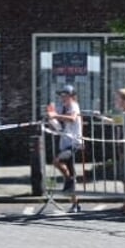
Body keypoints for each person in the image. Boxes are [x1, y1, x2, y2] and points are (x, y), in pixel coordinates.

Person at [47, 84, 84, 212]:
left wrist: (55, 116)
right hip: (65, 143)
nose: (62, 97)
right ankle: (75, 203)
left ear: (71, 96)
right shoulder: (64, 107)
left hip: (73, 143)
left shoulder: (73, 106)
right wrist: (51, 120)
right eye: (61, 95)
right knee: (68, 171)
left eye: (65, 95)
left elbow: (73, 119)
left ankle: (69, 181)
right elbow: (61, 127)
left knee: (57, 162)